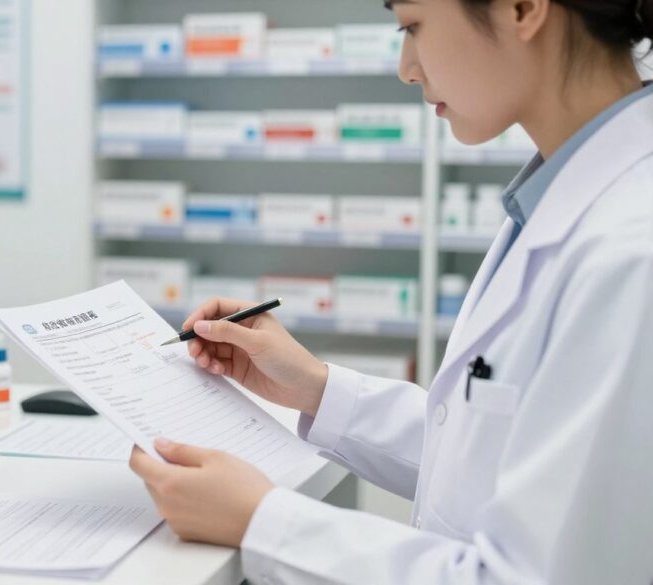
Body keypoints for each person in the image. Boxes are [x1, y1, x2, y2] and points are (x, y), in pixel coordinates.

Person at [129, 0, 653, 583]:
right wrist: (315, 388)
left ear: (522, 8)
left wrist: (263, 521)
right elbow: (492, 459)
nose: (407, 67)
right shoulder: (555, 197)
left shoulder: (631, 254)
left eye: (412, 26)